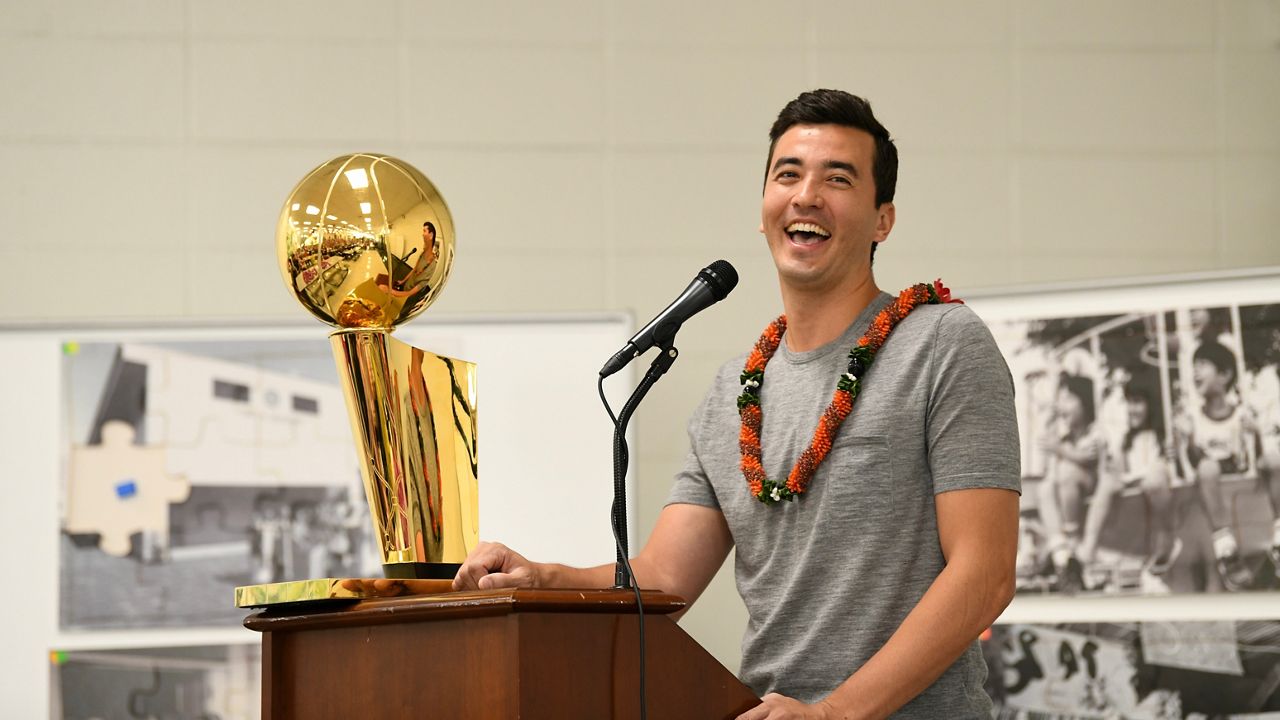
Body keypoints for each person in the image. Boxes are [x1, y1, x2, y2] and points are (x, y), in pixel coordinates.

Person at [452, 89, 1021, 718]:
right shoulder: (733, 392)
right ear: (763, 209)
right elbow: (663, 577)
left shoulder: (942, 343)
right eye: (788, 174)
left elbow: (985, 574)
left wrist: (833, 713)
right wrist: (543, 579)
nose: (807, 195)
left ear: (883, 218)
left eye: (838, 178)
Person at [1176, 339, 1269, 590]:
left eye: (1203, 365)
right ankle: (1225, 546)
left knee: (1274, 458)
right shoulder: (1192, 417)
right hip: (1209, 485)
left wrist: (1257, 435)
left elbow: (1255, 460)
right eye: (1194, 365)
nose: (1195, 371)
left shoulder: (1241, 414)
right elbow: (1191, 464)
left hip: (1242, 486)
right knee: (1208, 468)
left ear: (1225, 374)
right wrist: (1186, 441)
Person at [1078, 380, 1179, 592]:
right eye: (1129, 403)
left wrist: (1177, 450)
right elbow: (1120, 470)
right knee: (1108, 481)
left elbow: (1172, 465)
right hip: (1134, 485)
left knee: (1155, 477)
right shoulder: (1127, 439)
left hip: (1157, 483)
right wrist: (1106, 456)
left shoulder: (1164, 435)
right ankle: (1089, 546)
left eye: (1138, 402)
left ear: (1152, 405)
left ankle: (1166, 538)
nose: (1132, 409)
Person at [1035, 373, 1104, 592]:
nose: (1062, 407)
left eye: (1068, 400)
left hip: (1091, 484)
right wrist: (1051, 417)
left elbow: (1089, 457)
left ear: (1084, 403)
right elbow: (1046, 440)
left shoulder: (1095, 432)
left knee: (1067, 471)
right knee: (1045, 487)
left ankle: (1072, 540)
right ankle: (1061, 554)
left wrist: (1060, 450)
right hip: (1067, 489)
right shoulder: (1065, 437)